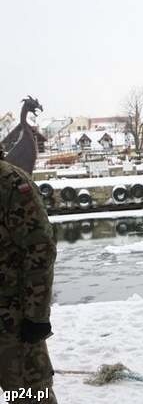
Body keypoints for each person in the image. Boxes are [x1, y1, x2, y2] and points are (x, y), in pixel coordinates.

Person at [0, 152, 57, 403]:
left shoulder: (10, 183)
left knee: (28, 395)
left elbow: (40, 248)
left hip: (11, 324)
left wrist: (36, 317)